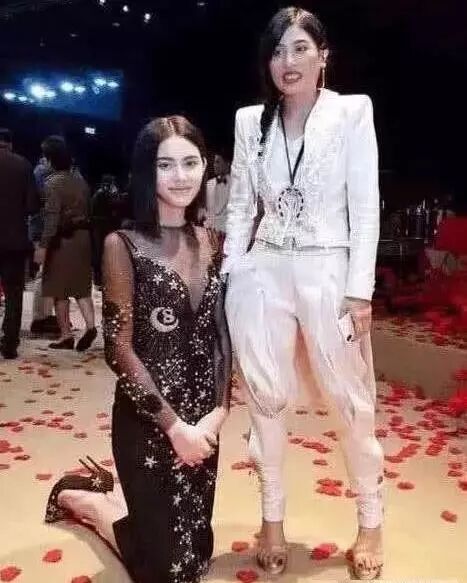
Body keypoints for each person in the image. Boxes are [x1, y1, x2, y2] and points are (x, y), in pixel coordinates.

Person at [223, 7, 383, 579]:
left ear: (322, 55)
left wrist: (359, 292)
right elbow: (239, 205)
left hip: (328, 271)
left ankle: (370, 521)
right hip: (262, 271)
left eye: (299, 48)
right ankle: (271, 520)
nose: (287, 61)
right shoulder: (250, 121)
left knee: (350, 400)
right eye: (277, 51)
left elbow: (365, 208)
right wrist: (232, 272)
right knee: (266, 399)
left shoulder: (351, 112)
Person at [43, 116, 232, 583]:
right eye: (166, 165)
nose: (181, 175)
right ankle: (85, 499)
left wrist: (219, 411)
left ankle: (120, 511)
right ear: (147, 171)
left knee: (197, 558)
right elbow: (118, 349)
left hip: (203, 420)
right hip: (149, 419)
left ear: (204, 166)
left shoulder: (213, 242)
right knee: (164, 573)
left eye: (190, 162)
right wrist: (175, 428)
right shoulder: (122, 245)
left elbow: (221, 335)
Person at [34, 136, 97, 351]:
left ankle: (66, 335)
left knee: (59, 288)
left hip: (63, 240)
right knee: (81, 287)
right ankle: (91, 326)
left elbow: (52, 218)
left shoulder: (53, 183)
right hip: (83, 239)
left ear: (51, 159)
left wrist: (43, 245)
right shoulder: (81, 182)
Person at [0, 128, 39, 359]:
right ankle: (10, 344)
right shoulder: (23, 165)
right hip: (14, 240)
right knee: (14, 293)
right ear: (11, 144)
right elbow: (32, 206)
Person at [90, 174, 127, 286]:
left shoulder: (100, 193)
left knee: (102, 252)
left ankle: (101, 279)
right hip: (102, 227)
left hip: (102, 226)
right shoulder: (102, 194)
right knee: (101, 253)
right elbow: (115, 205)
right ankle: (99, 279)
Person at [204, 152, 231, 233]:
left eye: (218, 162)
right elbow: (208, 210)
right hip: (210, 231)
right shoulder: (209, 184)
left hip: (227, 232)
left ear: (227, 164)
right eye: (214, 162)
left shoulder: (236, 185)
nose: (214, 165)